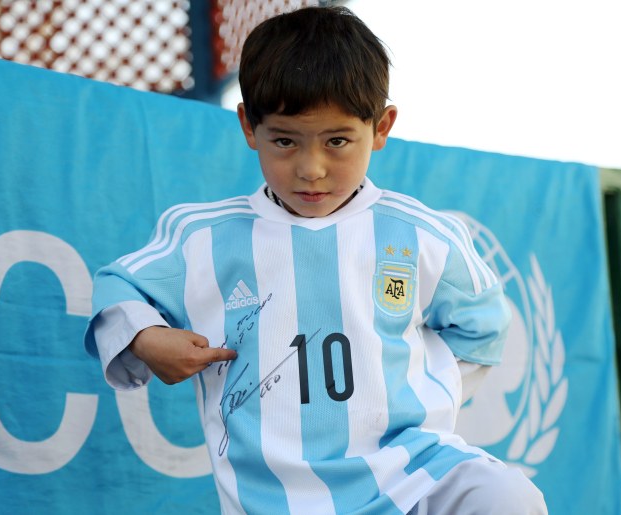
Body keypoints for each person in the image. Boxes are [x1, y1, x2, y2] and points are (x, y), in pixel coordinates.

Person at [84, 6, 547, 514]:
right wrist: (148, 338)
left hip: (412, 477)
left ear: (382, 126)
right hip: (274, 500)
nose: (311, 168)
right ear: (247, 125)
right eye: (284, 140)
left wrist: (412, 385)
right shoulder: (202, 236)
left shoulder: (421, 236)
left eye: (338, 141)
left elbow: (484, 325)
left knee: (509, 497)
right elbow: (118, 287)